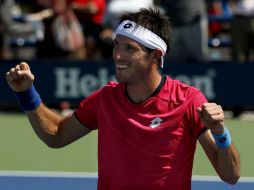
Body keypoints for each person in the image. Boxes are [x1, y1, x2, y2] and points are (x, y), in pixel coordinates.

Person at [5, 8, 240, 190]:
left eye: (130, 48)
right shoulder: (106, 98)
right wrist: (27, 93)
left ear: (155, 56)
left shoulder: (188, 100)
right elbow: (57, 135)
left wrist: (220, 133)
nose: (118, 55)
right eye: (117, 45)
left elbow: (230, 175)